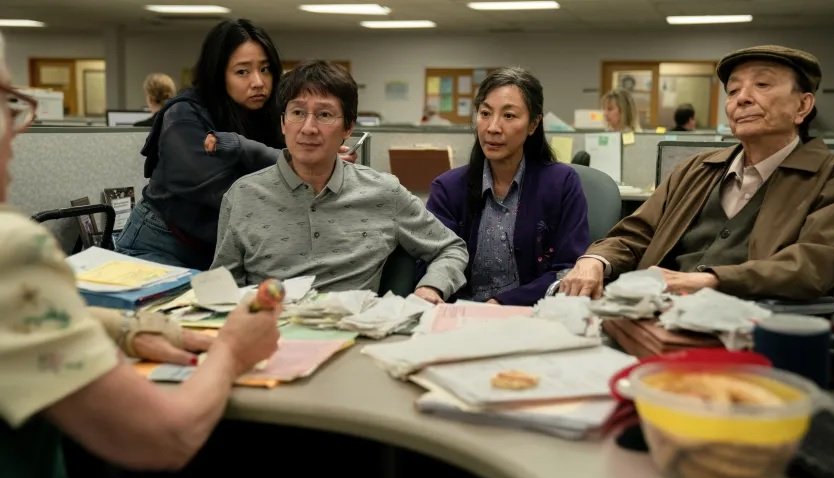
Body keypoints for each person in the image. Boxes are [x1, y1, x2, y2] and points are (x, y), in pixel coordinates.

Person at [0, 31, 282, 478]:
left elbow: (14, 324)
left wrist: (125, 328)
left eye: (265, 69)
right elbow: (165, 437)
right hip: (162, 243)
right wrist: (232, 350)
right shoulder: (12, 249)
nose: (17, 127)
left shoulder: (258, 118)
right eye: (7, 101)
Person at [560, 45, 834, 301]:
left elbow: (813, 265)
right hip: (648, 312)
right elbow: (635, 233)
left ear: (802, 106)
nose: (742, 98)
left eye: (762, 85)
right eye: (733, 90)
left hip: (750, 324)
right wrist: (594, 260)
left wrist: (711, 280)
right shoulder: (694, 170)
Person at [211, 60, 468, 304]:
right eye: (297, 112)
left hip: (353, 328)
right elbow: (224, 290)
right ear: (283, 123)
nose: (308, 128)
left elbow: (451, 248)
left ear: (348, 128)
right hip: (270, 326)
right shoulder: (243, 195)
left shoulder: (383, 193)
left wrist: (430, 287)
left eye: (324, 114)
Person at [116, 19, 356, 270]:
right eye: (242, 72)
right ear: (218, 74)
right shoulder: (184, 117)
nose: (258, 82)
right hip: (160, 243)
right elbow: (234, 196)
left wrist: (322, 160)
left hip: (222, 250)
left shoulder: (271, 112)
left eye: (265, 69)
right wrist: (303, 168)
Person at [426, 67, 590, 306]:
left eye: (509, 116)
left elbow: (568, 269)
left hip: (533, 315)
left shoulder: (561, 184)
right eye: (485, 113)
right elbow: (431, 258)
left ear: (533, 124)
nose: (492, 127)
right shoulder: (448, 188)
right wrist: (432, 289)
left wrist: (500, 303)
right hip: (459, 316)